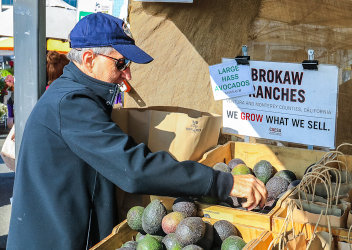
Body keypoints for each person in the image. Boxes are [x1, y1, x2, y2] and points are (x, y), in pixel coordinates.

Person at [7, 13, 267, 250]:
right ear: (89, 59)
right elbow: (134, 168)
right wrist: (224, 182)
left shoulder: (79, 97)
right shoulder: (72, 104)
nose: (127, 73)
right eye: (121, 63)